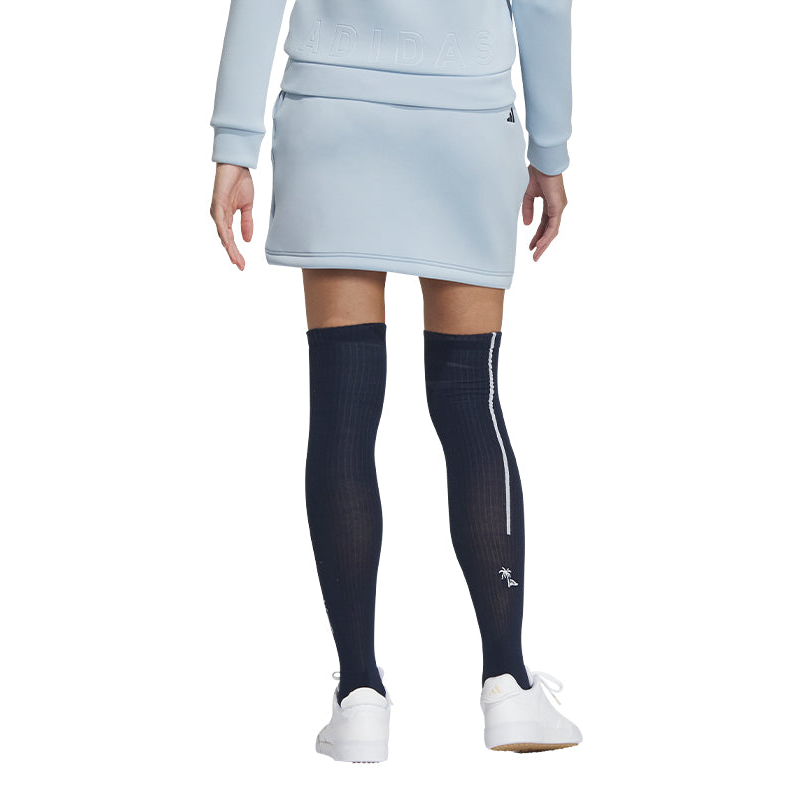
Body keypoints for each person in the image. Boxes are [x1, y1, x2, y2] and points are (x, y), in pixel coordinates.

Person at [208, 0, 582, 762]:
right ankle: (509, 684)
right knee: (469, 401)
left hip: (334, 114)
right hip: (463, 120)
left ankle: (359, 697)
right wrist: (550, 150)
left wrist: (234, 144)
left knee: (342, 408)